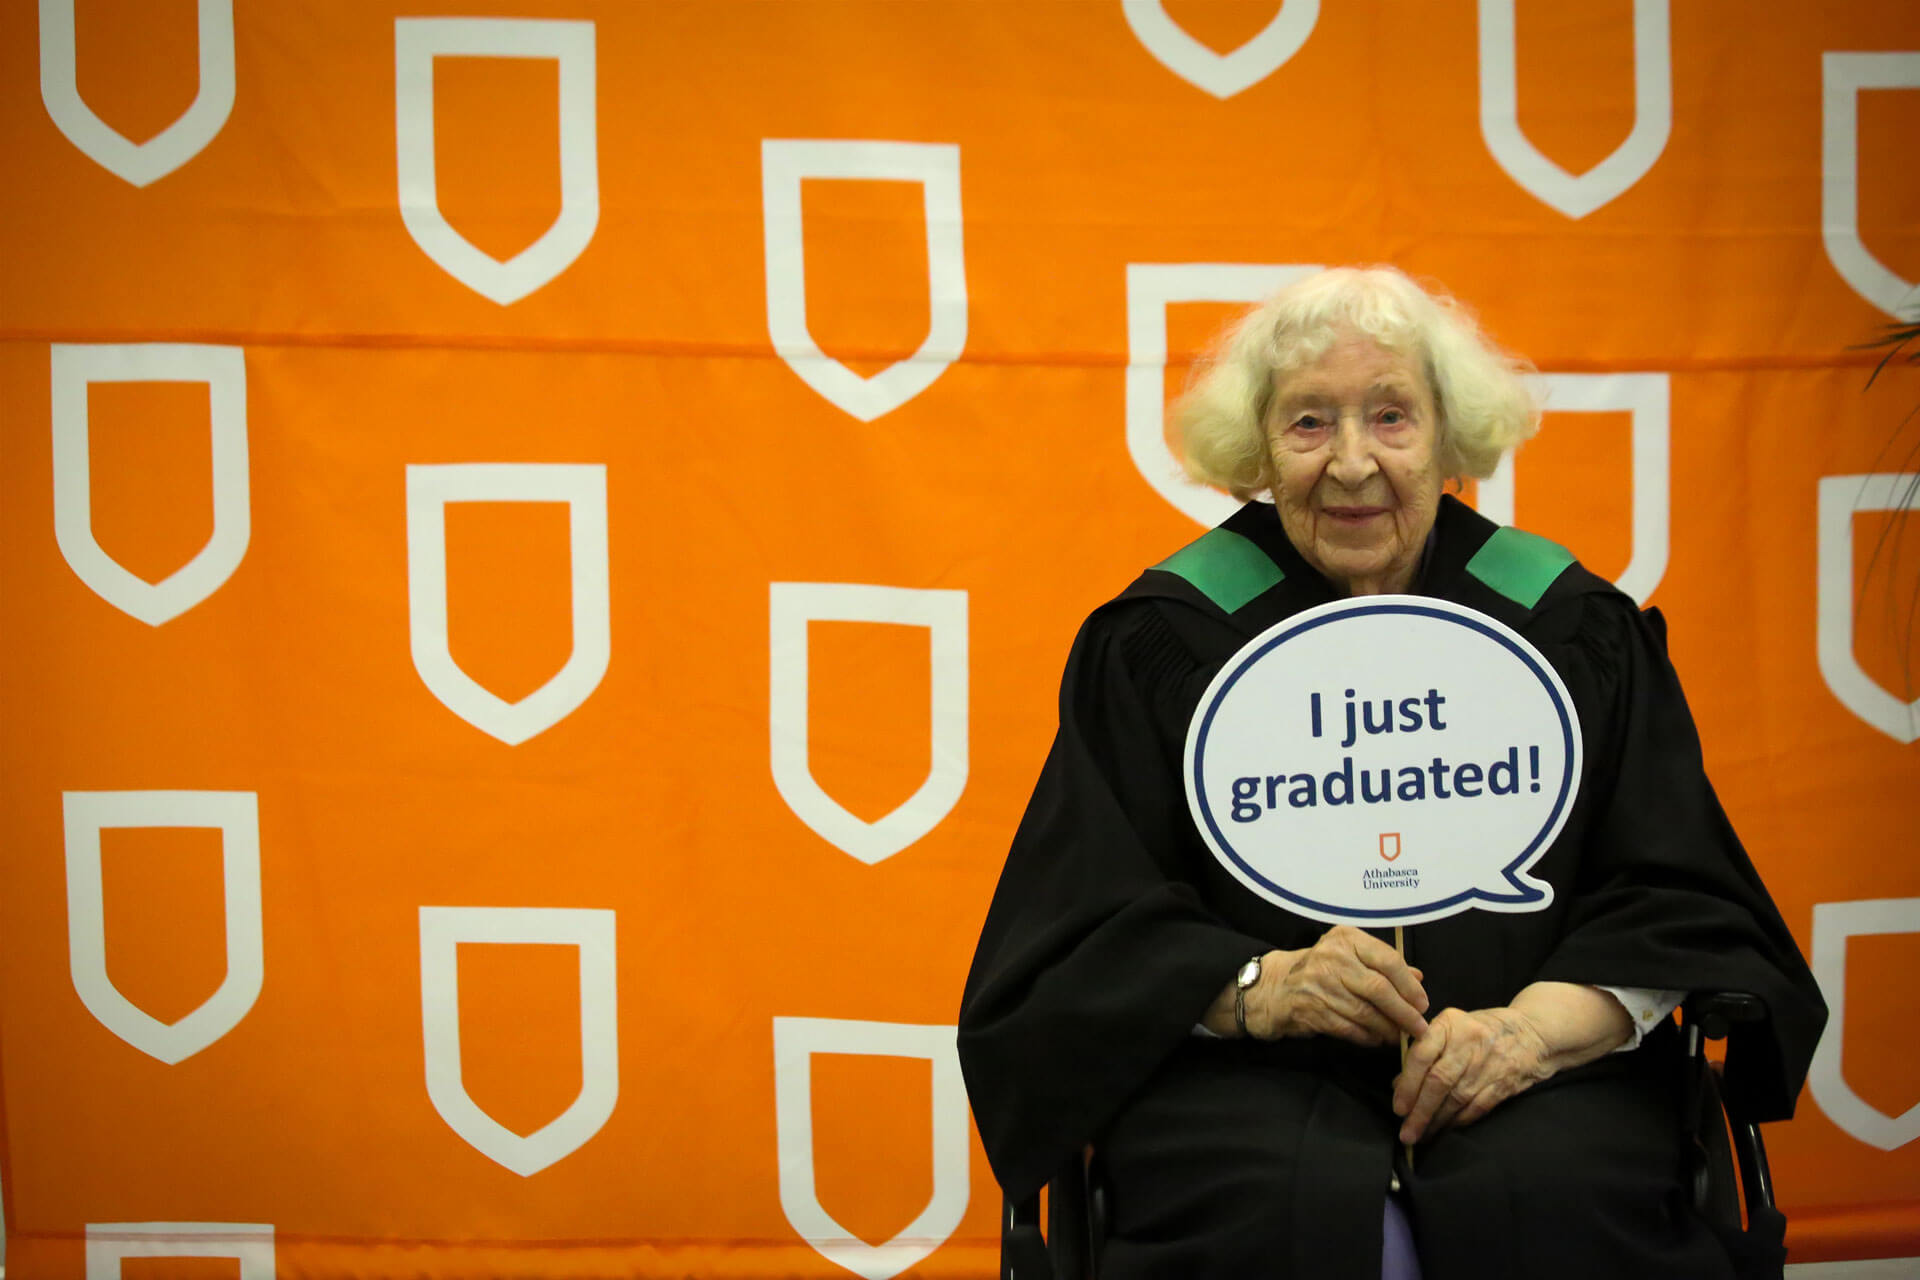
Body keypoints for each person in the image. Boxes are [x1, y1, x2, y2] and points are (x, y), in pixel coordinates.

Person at [956, 266, 1827, 1279]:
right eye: (1311, 423)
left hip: (1542, 1080)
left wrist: (1532, 1033)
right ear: (1262, 452)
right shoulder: (1168, 641)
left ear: (1449, 438)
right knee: (1259, 1213)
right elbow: (1078, 923)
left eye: (1391, 417)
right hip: (1249, 1089)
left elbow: (1679, 895)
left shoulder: (1568, 629)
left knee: (1560, 1198)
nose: (1353, 462)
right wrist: (1259, 985)